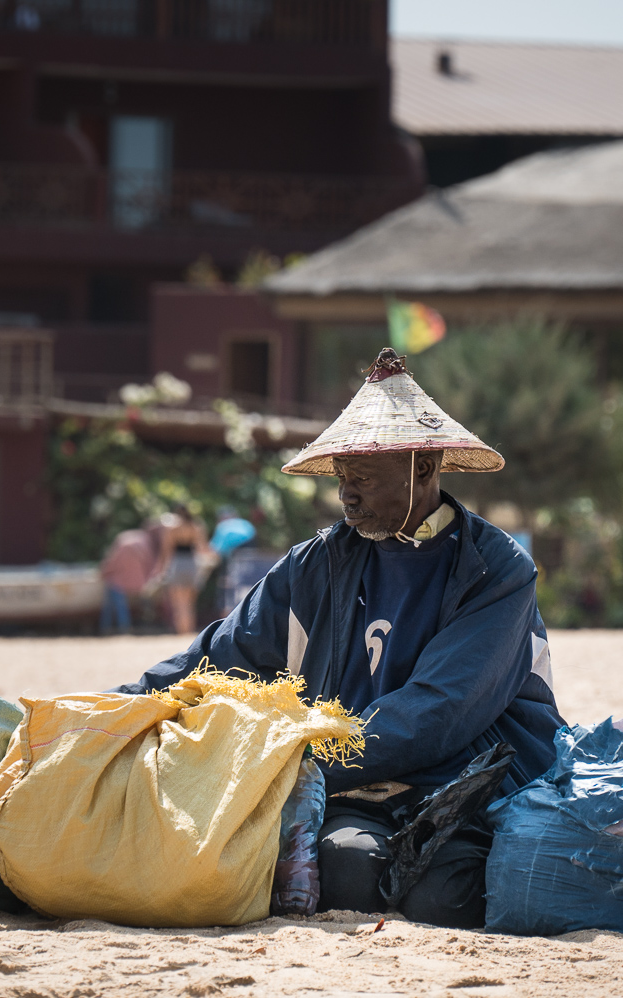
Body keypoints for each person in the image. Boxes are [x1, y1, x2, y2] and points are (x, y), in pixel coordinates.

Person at [116, 348, 564, 928]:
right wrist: (124, 703)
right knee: (348, 872)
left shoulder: (497, 569)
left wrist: (296, 760)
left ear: (422, 469)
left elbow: (439, 710)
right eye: (343, 480)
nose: (347, 495)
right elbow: (222, 654)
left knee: (441, 898)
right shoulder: (319, 563)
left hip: (471, 785)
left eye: (366, 479)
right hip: (360, 784)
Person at [158, 505, 210, 635]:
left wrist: (163, 569)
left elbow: (167, 550)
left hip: (177, 564)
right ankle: (189, 631)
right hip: (192, 564)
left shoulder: (172, 528)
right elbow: (202, 548)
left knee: (179, 603)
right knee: (189, 604)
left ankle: (181, 631)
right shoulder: (196, 526)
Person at [98, 528, 158, 634]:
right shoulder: (145, 543)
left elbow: (112, 562)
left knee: (113, 601)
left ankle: (111, 627)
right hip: (140, 582)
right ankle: (125, 627)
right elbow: (152, 565)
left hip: (120, 582)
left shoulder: (123, 541)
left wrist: (103, 572)